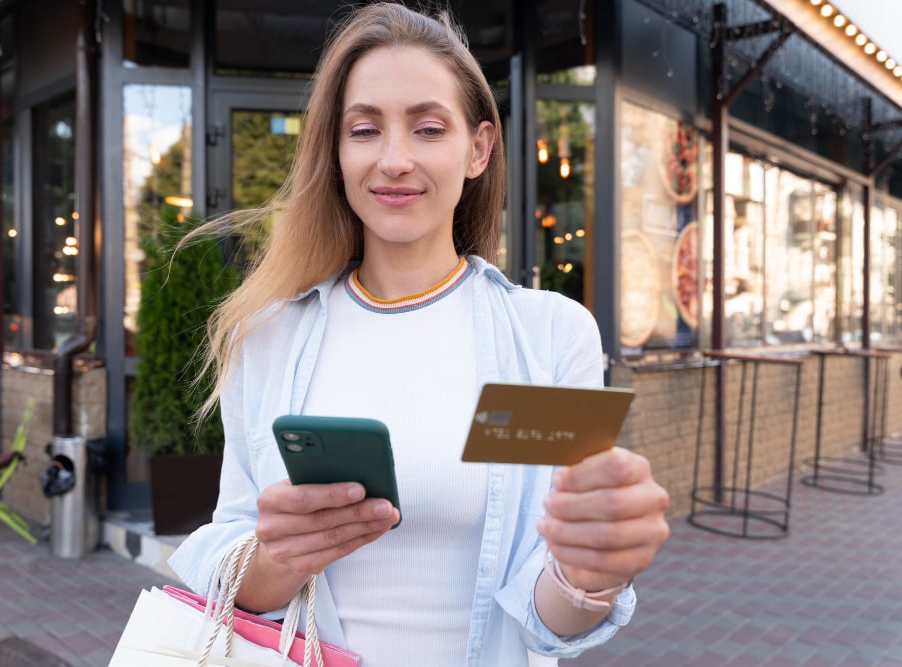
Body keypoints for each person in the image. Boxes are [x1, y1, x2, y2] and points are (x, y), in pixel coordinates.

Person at [169, 3, 670, 665]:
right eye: (365, 129)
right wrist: (276, 558)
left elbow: (551, 622)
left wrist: (592, 573)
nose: (395, 159)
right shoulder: (268, 336)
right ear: (338, 151)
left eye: (429, 128)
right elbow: (235, 552)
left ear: (478, 148)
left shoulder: (550, 335)